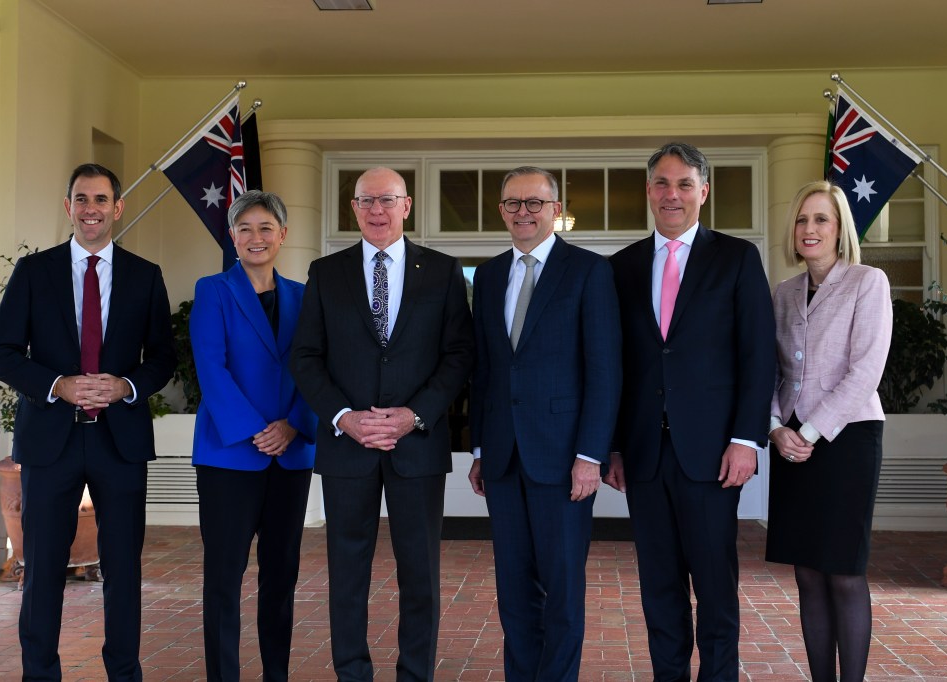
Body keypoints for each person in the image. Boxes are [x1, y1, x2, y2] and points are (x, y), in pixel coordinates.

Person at [0, 163, 177, 681]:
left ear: (118, 208)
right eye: (81, 199)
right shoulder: (34, 272)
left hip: (120, 442)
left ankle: (123, 673)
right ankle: (40, 674)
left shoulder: (144, 275)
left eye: (101, 199)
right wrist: (58, 385)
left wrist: (126, 386)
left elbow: (162, 357)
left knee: (124, 570)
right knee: (43, 569)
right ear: (67, 207)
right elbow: (0, 353)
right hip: (51, 441)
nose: (91, 209)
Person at [289, 167, 474, 682]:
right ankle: (353, 672)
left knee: (421, 575)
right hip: (349, 448)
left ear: (407, 205)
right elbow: (305, 357)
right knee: (347, 575)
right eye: (366, 200)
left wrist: (415, 415)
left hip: (416, 445)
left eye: (387, 200)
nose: (377, 209)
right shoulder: (326, 273)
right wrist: (344, 418)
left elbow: (459, 355)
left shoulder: (442, 271)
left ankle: (415, 673)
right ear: (353, 208)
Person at [605, 142, 776, 681]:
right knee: (658, 586)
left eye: (683, 184)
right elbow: (616, 366)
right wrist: (611, 444)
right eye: (661, 183)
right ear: (649, 191)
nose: (671, 194)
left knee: (715, 585)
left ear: (704, 191)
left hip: (713, 455)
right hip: (644, 456)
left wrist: (747, 439)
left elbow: (758, 354)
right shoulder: (622, 267)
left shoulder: (737, 257)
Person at [467, 167, 622, 681]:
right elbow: (485, 370)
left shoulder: (588, 271)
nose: (523, 213)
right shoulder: (488, 277)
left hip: (564, 459)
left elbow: (604, 370)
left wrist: (591, 455)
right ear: (501, 211)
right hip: (505, 457)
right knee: (513, 589)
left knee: (561, 589)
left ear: (556, 210)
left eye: (534, 203)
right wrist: (480, 450)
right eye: (513, 204)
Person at [189, 190, 318, 681]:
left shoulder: (306, 297)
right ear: (232, 236)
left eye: (266, 228)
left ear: (283, 235)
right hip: (229, 455)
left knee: (281, 575)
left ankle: (276, 675)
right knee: (224, 577)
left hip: (291, 453)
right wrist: (254, 431)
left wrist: (292, 424)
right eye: (245, 229)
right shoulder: (212, 291)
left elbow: (316, 370)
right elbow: (211, 368)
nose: (256, 237)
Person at [767, 181, 892, 682]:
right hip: (790, 441)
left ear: (840, 230)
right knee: (807, 574)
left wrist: (811, 431)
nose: (809, 229)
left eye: (821, 219)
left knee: (842, 572)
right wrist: (776, 427)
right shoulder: (783, 293)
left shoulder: (868, 281)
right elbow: (771, 371)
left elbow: (865, 372)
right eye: (802, 220)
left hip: (847, 439)